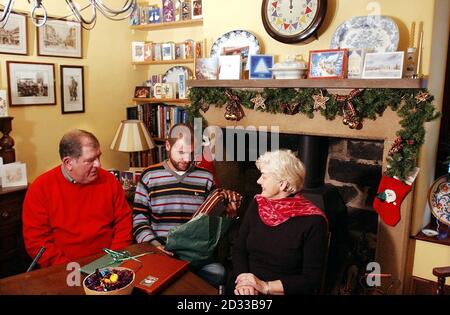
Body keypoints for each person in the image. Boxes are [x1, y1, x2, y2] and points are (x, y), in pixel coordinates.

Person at [133, 123, 241, 287]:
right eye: (181, 152)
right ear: (168, 146)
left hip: (195, 254)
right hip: (160, 249)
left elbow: (212, 222)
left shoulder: (206, 178)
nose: (187, 159)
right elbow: (139, 219)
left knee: (219, 272)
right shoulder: (149, 175)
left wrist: (230, 216)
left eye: (192, 153)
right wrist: (155, 245)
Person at [23, 129, 132, 268]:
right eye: (90, 160)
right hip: (64, 268)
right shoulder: (40, 189)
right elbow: (36, 242)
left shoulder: (109, 180)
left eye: (98, 156)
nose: (99, 164)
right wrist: (69, 269)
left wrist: (115, 258)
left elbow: (124, 222)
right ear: (68, 163)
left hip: (111, 261)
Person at [232, 150, 328, 295]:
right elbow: (239, 248)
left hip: (280, 290)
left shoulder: (314, 221)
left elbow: (310, 279)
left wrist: (265, 287)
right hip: (245, 285)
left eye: (264, 177)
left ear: (282, 184)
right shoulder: (257, 204)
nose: (258, 181)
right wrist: (243, 280)